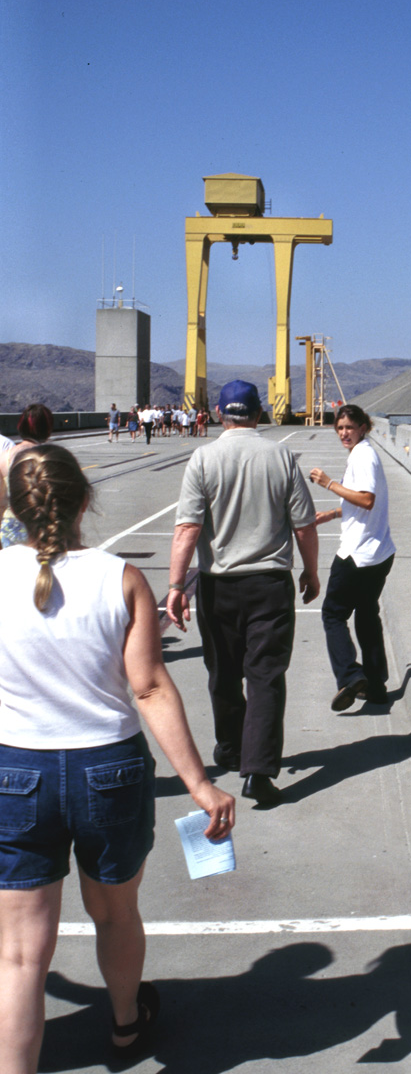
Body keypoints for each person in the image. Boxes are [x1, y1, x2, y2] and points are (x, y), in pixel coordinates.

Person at [0, 444, 234, 1074]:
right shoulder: (120, 578)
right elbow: (151, 687)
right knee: (115, 912)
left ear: (14, 508)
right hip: (109, 770)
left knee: (21, 954)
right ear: (85, 500)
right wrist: (201, 784)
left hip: (16, 771)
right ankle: (127, 1025)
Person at [166, 380, 320, 806]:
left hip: (217, 585)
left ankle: (231, 748)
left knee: (223, 673)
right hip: (269, 584)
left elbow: (187, 529)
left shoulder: (203, 458)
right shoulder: (281, 456)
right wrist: (310, 571)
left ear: (219, 413)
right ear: (259, 413)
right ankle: (258, 771)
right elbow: (304, 526)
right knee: (266, 676)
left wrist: (176, 586)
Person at [309, 405, 396, 711]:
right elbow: (361, 501)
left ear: (363, 427)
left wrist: (328, 483)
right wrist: (333, 513)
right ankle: (376, 687)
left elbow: (367, 499)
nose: (344, 433)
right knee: (367, 616)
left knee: (333, 615)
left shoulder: (363, 455)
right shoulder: (364, 452)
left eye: (349, 427)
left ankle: (350, 675)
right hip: (379, 553)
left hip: (357, 554)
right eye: (340, 428)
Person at [0, 404, 54, 549]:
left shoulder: (4, 457)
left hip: (9, 527)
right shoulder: (47, 456)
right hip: (38, 527)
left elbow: (0, 502)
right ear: (47, 429)